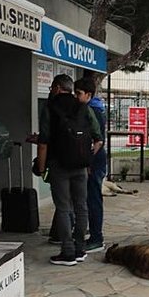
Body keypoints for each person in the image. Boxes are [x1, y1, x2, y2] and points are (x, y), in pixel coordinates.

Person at [36, 74, 103, 266]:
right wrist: (87, 159)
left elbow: (43, 143)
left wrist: (41, 168)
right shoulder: (83, 107)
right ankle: (80, 248)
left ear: (57, 88)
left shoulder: (50, 108)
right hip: (81, 166)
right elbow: (98, 138)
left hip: (59, 165)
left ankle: (67, 252)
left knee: (64, 208)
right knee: (81, 206)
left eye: (51, 88)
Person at [74, 77, 107, 253]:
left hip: (94, 163)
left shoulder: (92, 111)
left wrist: (89, 162)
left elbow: (97, 141)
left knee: (93, 200)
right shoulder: (91, 109)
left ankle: (96, 237)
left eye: (78, 93)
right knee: (87, 200)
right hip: (92, 161)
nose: (75, 97)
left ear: (88, 94)